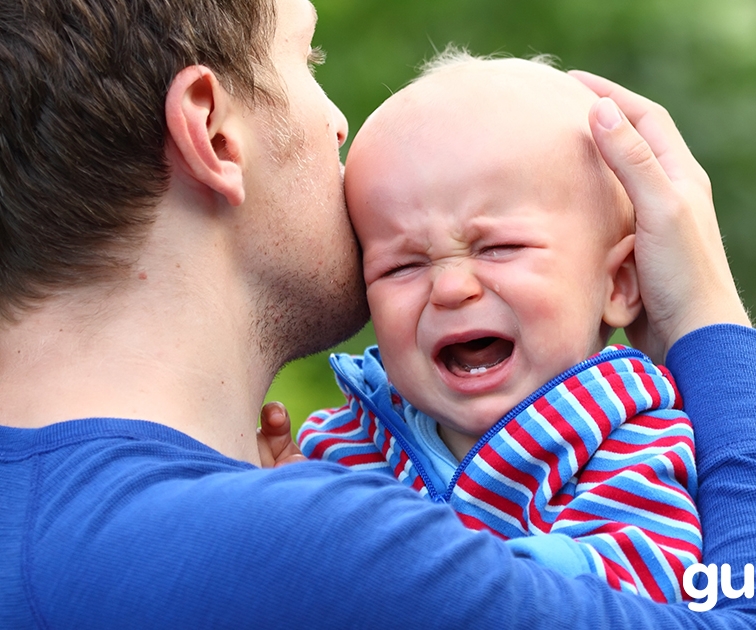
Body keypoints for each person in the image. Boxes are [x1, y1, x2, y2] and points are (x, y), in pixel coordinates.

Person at [0, 0, 756, 627]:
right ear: (213, 128)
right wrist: (711, 328)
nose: (337, 119)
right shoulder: (280, 549)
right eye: (308, 63)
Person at [299, 54, 701, 603]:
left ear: (619, 285)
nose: (450, 287)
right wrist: (272, 493)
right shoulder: (347, 442)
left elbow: (654, 577)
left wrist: (472, 579)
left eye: (498, 247)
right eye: (402, 266)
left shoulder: (631, 439)